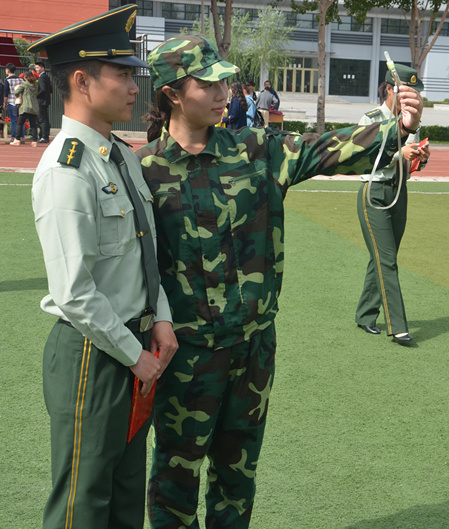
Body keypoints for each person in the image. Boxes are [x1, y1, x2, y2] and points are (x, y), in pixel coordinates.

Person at [139, 33, 422, 528]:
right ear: (172, 94)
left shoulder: (255, 149)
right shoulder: (144, 171)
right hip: (186, 356)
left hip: (253, 348)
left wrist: (395, 127)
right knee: (174, 482)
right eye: (208, 85)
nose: (224, 93)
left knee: (237, 476)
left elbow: (325, 150)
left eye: (225, 82)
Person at [27, 5, 178, 528]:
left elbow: (144, 251)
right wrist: (136, 356)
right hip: (94, 355)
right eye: (122, 74)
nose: (136, 87)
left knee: (124, 500)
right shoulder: (66, 169)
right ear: (81, 81)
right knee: (83, 505)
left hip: (133, 346)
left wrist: (160, 317)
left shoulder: (120, 155)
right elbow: (73, 290)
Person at [355, 69, 429, 345]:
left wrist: (421, 157)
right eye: (405, 92)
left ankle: (365, 314)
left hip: (399, 191)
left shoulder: (413, 122)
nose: (411, 98)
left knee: (383, 257)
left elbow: (413, 161)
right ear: (389, 89)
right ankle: (397, 326)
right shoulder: (371, 119)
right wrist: (399, 153)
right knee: (387, 260)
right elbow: (362, 155)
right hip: (374, 192)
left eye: (414, 93)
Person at [10, 71, 39, 145]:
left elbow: (16, 92)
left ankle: (17, 139)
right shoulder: (35, 85)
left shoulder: (24, 84)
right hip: (34, 106)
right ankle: (34, 141)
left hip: (25, 106)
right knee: (33, 124)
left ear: (25, 77)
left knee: (20, 123)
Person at [34, 59, 52, 143]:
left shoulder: (41, 77)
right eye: (36, 68)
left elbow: (43, 89)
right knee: (45, 119)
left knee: (42, 119)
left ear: (42, 68)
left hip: (41, 101)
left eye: (37, 67)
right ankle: (45, 136)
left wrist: (36, 95)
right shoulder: (46, 77)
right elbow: (50, 89)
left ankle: (44, 137)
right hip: (46, 101)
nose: (36, 69)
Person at [3, 63, 22, 138]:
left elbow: (6, 93)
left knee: (13, 121)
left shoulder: (7, 80)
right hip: (20, 102)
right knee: (21, 120)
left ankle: (14, 137)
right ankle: (22, 137)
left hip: (11, 102)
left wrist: (4, 103)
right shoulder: (20, 79)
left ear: (8, 70)